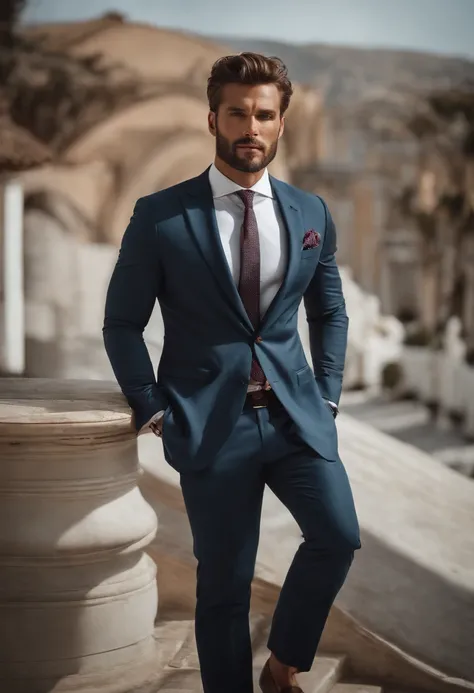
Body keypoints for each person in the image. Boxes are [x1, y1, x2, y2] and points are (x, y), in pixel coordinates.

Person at [103, 52, 361, 693]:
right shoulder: (161, 216)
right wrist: (152, 405)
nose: (252, 126)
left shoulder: (310, 214)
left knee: (337, 536)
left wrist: (326, 393)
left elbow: (329, 311)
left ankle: (282, 667)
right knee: (224, 583)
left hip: (296, 415)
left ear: (281, 124)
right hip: (210, 422)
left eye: (265, 115)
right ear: (213, 118)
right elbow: (121, 324)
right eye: (238, 112)